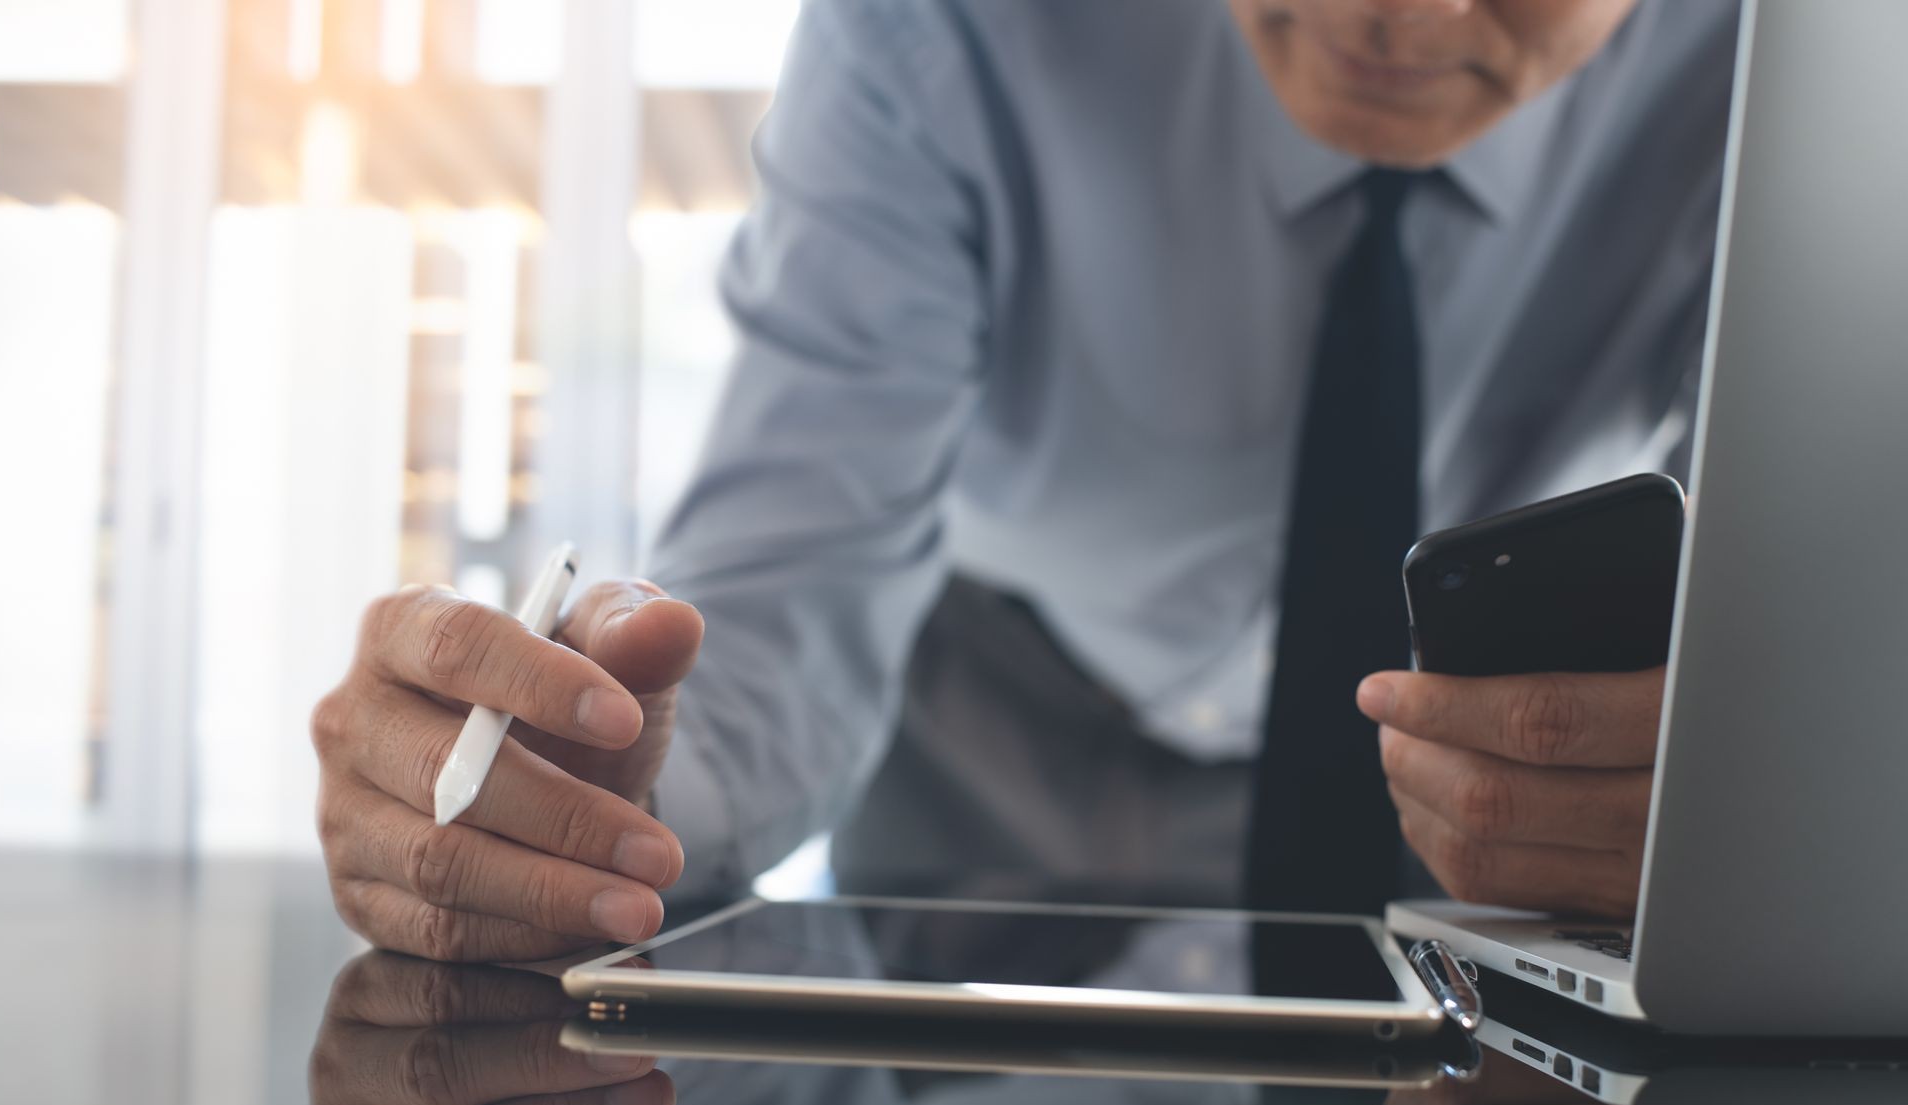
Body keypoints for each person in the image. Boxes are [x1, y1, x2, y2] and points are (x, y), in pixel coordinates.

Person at [310, 0, 1741, 962]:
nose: (1403, 18)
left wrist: (1782, 786)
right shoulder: (945, 25)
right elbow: (794, 562)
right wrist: (598, 780)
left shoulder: (1797, 63)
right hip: (991, 733)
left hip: (1494, 762)